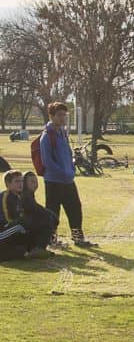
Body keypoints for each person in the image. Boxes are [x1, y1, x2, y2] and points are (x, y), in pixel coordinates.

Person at [39, 102, 96, 248]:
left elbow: (68, 153)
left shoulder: (63, 133)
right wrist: (63, 172)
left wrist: (71, 168)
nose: (63, 118)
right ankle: (51, 240)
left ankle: (78, 238)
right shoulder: (46, 136)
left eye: (64, 115)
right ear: (51, 116)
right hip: (53, 181)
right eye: (59, 115)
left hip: (68, 180)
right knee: (53, 211)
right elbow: (47, 161)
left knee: (75, 208)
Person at [1, 170, 50, 260]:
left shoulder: (18, 196)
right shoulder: (5, 196)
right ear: (8, 184)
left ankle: (36, 249)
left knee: (34, 224)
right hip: (3, 231)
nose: (20, 184)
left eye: (22, 181)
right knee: (23, 224)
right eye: (17, 181)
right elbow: (7, 220)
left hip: (11, 230)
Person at [20, 171, 58, 253]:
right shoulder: (24, 196)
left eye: (36, 181)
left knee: (48, 217)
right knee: (47, 220)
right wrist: (51, 215)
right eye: (32, 182)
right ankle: (39, 248)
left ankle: (42, 244)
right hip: (22, 227)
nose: (36, 184)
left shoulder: (29, 194)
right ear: (24, 183)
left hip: (27, 224)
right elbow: (35, 209)